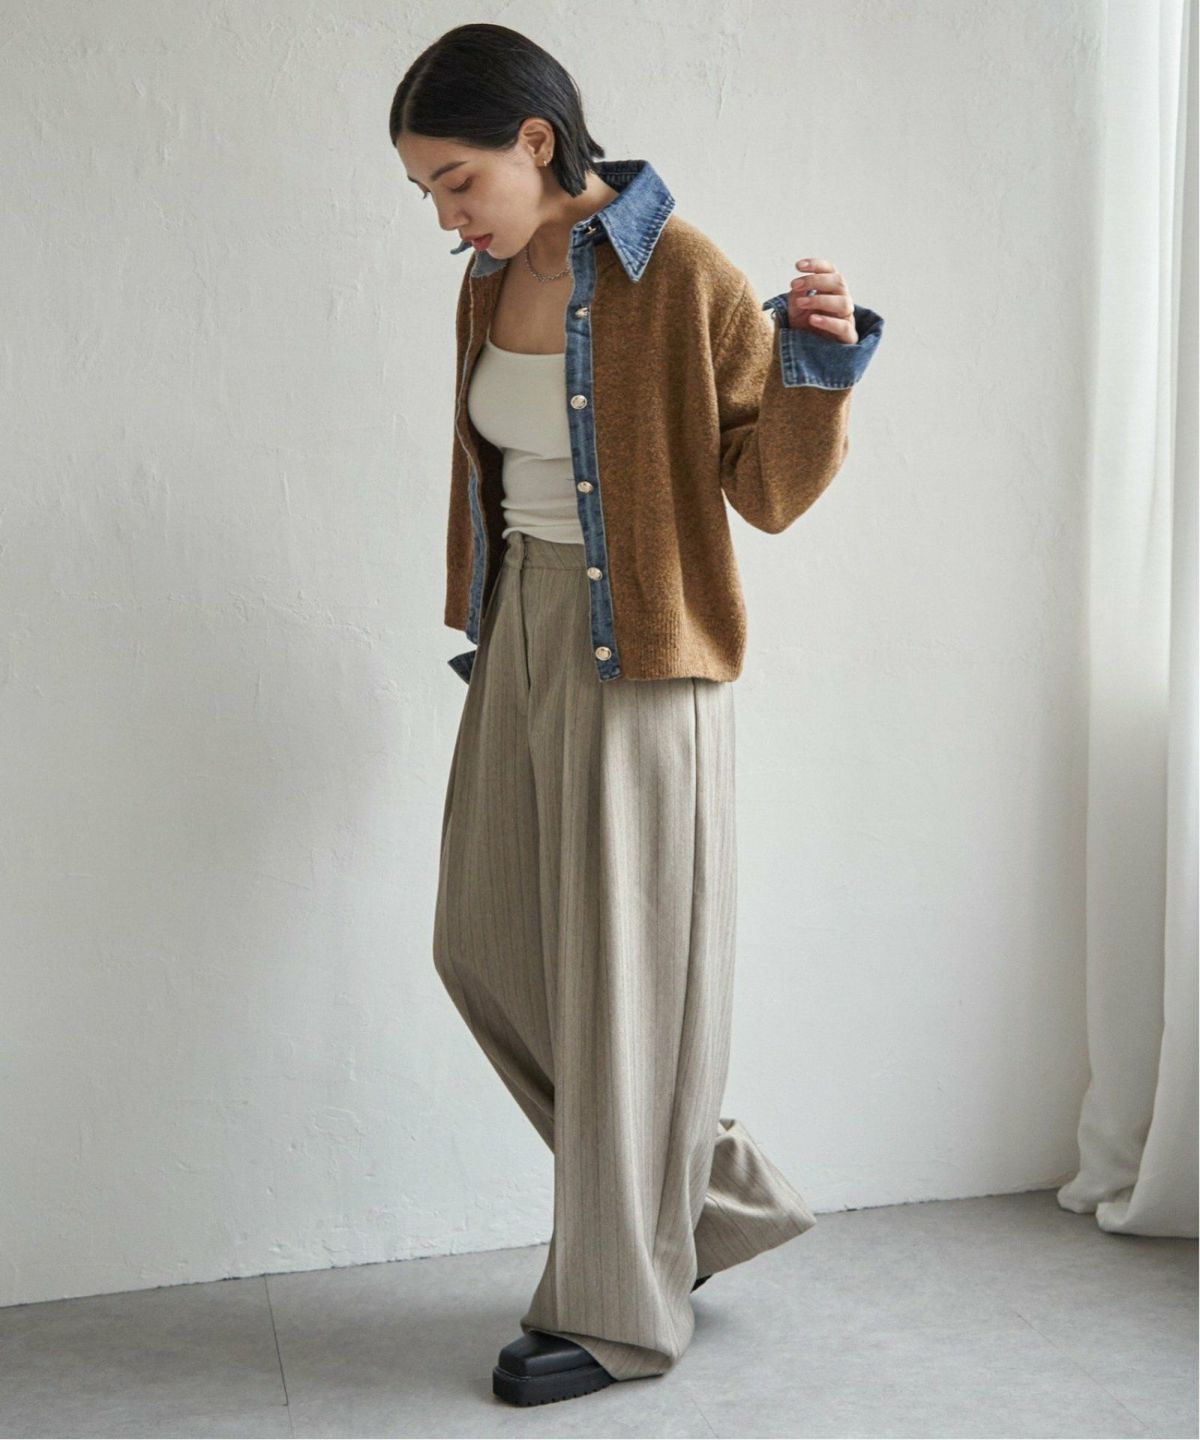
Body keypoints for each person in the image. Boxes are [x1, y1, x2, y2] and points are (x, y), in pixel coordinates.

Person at [390, 21, 885, 1409]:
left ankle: (618, 1314)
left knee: (623, 989)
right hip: (519, 632)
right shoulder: (487, 284)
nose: (446, 215)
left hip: (644, 657)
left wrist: (817, 368)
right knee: (481, 945)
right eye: (426, 191)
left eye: (456, 180)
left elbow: (765, 494)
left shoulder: (684, 273)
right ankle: (705, 1205)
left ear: (535, 141)